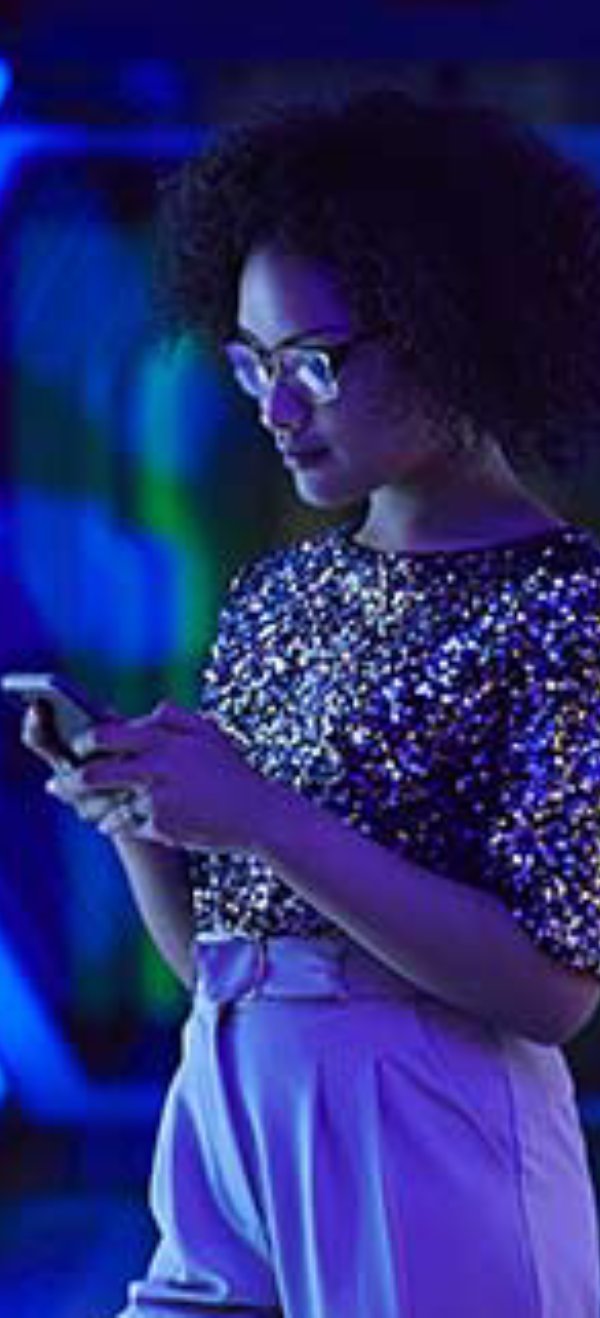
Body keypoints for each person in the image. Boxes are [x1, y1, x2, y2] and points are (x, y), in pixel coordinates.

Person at [23, 88, 600, 1317]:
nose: (276, 408)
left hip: (435, 1135)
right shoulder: (277, 594)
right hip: (224, 1095)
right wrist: (147, 819)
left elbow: (552, 989)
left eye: (313, 363)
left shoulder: (567, 607)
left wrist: (267, 818)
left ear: (455, 329)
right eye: (249, 363)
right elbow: (224, 960)